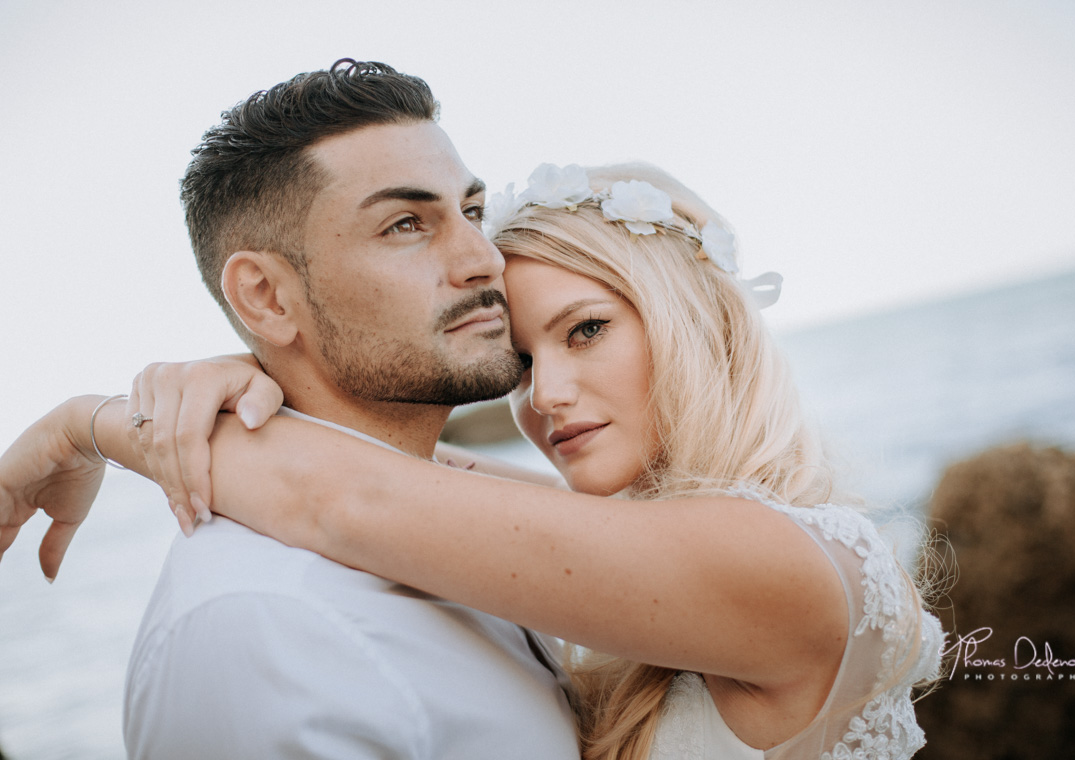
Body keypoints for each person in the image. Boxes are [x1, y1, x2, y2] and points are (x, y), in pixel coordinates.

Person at [2, 157, 944, 757]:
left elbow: (353, 502)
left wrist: (80, 425)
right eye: (523, 363)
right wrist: (263, 364)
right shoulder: (650, 540)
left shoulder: (778, 565)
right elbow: (414, 481)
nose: (546, 397)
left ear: (700, 324)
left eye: (588, 330)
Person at [0, 59, 581, 759]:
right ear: (267, 299)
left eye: (472, 212)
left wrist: (90, 424)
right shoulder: (264, 629)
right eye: (405, 224)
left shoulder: (481, 523)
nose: (483, 258)